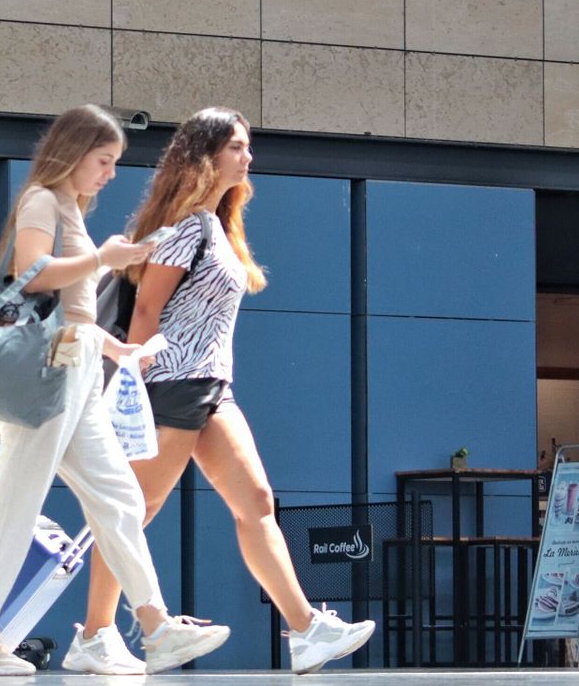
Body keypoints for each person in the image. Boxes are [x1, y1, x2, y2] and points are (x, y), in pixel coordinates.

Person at [70, 107, 374, 676]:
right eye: (236, 146)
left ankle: (305, 629)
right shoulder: (186, 227)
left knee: (256, 503)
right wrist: (129, 389)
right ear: (205, 156)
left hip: (212, 387)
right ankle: (95, 634)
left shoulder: (216, 226)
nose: (248, 156)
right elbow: (147, 309)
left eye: (247, 146)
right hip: (172, 383)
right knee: (132, 512)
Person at [0, 104, 232, 677]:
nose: (111, 173)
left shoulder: (65, 206)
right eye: (104, 159)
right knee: (19, 502)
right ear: (73, 153)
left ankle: (155, 625)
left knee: (118, 497)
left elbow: (69, 307)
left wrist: (113, 347)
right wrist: (103, 258)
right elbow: (30, 275)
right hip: (49, 376)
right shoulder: (44, 201)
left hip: (74, 373)